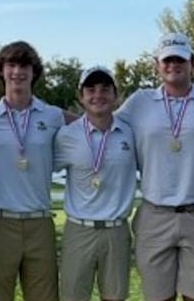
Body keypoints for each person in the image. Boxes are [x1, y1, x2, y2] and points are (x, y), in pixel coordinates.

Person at [116, 32, 194, 301]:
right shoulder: (140, 101)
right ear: (157, 64)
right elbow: (101, 124)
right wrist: (57, 119)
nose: (174, 65)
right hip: (154, 215)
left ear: (192, 64)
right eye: (167, 60)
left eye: (180, 60)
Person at [0, 41, 64, 301]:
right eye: (11, 65)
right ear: (1, 71)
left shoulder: (53, 116)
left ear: (34, 72)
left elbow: (90, 125)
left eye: (24, 65)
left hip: (40, 222)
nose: (17, 72)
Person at [54, 65, 138, 301]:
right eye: (90, 89)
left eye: (105, 89)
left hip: (117, 230)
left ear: (116, 95)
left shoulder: (130, 133)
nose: (98, 95)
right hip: (79, 229)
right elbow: (39, 169)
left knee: (115, 297)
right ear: (81, 97)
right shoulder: (67, 135)